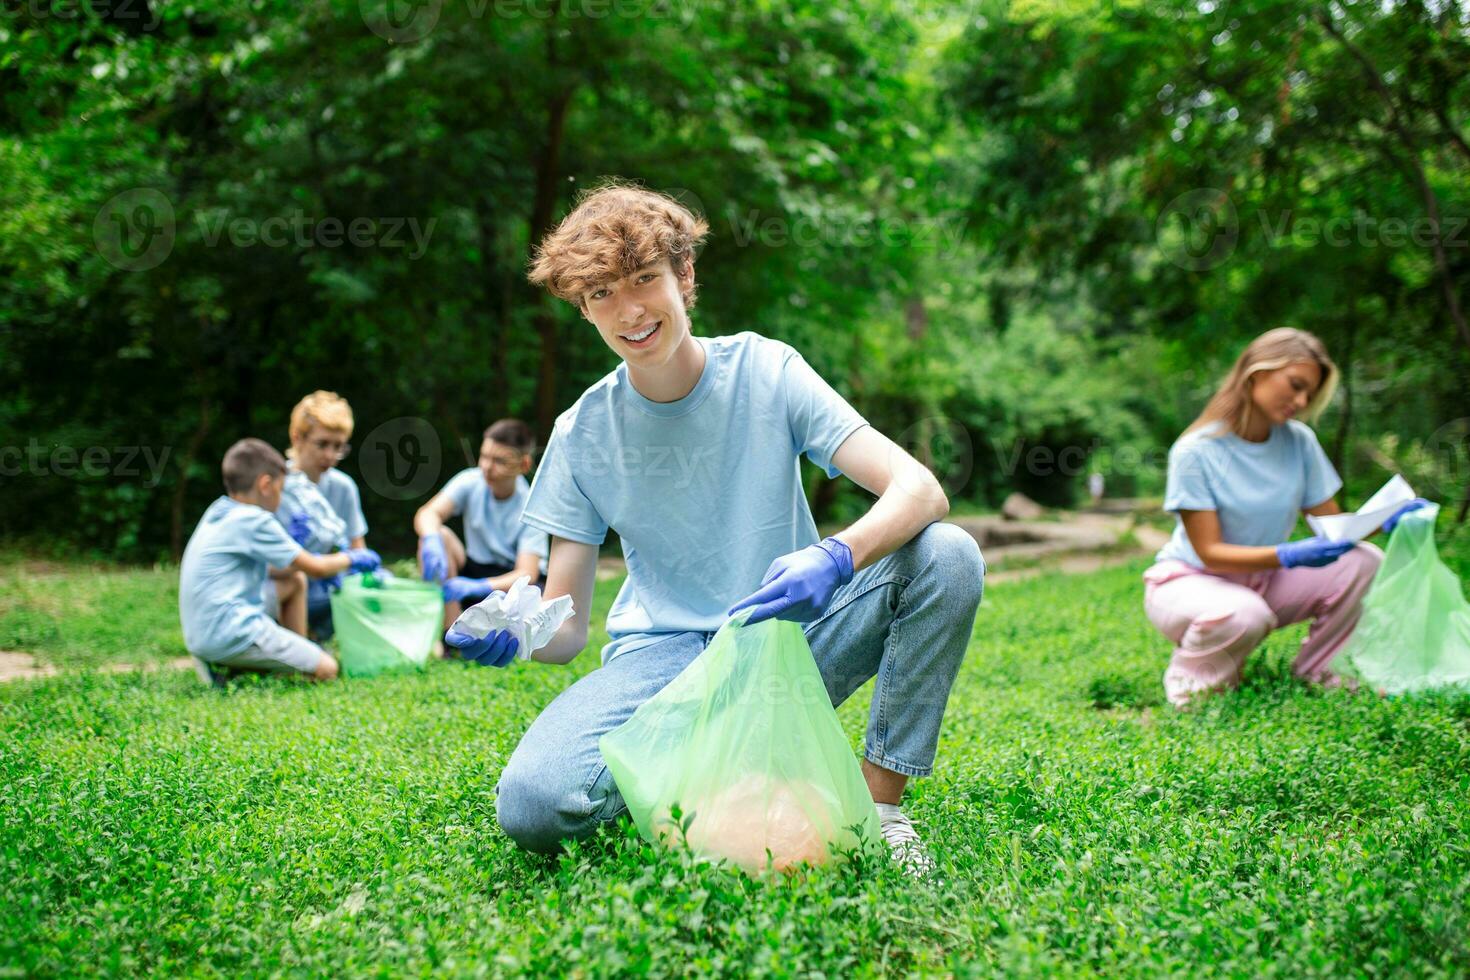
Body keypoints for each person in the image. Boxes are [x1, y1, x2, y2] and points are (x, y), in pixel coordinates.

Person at [445, 182, 985, 873]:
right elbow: (569, 624)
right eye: (603, 293)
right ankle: (718, 770)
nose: (630, 310)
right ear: (582, 308)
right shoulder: (581, 433)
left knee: (948, 555)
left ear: (685, 275)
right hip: (661, 665)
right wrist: (519, 632)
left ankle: (878, 806)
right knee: (534, 804)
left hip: (783, 638)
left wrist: (835, 557)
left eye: (644, 279)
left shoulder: (767, 370)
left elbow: (920, 488)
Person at [1143, 328, 1430, 707]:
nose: (1301, 400)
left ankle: (1320, 670)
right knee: (1244, 614)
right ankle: (1194, 692)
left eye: (1309, 394)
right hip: (1192, 583)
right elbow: (1209, 552)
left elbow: (1335, 528)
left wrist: (1390, 516)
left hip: (1263, 580)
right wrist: (1287, 554)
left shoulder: (1299, 441)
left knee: (1363, 561)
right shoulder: (1196, 451)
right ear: (1257, 372)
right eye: (1295, 385)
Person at [179, 438, 382, 685]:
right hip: (230, 632)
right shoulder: (255, 520)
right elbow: (315, 569)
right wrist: (351, 558)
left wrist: (298, 553)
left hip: (202, 632)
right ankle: (244, 668)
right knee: (328, 668)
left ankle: (290, 655)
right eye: (280, 488)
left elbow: (282, 569)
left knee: (294, 579)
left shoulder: (220, 510)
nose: (281, 497)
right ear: (265, 485)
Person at [414, 419, 550, 631]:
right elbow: (428, 513)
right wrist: (431, 540)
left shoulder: (533, 505)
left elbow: (527, 573)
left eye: (499, 461)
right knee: (438, 533)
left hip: (512, 584)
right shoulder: (470, 481)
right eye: (484, 456)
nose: (486, 467)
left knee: (531, 604)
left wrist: (479, 587)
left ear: (523, 465)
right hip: (474, 568)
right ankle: (450, 633)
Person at [286, 391, 370, 639]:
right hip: (288, 590)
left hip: (330, 591)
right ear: (297, 438)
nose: (330, 456)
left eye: (338, 446)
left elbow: (359, 551)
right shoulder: (277, 487)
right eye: (322, 444)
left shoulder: (343, 487)